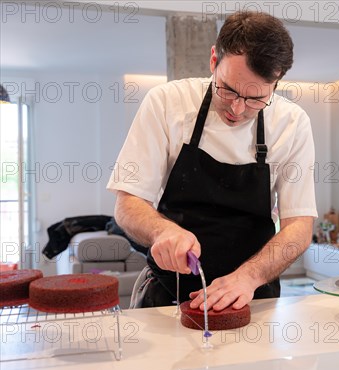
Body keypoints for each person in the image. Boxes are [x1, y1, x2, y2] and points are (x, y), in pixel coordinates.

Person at [107, 11, 317, 311]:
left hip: (252, 295)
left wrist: (248, 277)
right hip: (169, 292)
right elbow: (127, 203)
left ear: (277, 83)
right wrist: (162, 231)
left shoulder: (292, 123)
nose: (237, 108)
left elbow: (299, 226)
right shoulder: (166, 103)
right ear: (213, 61)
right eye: (228, 89)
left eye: (255, 99)